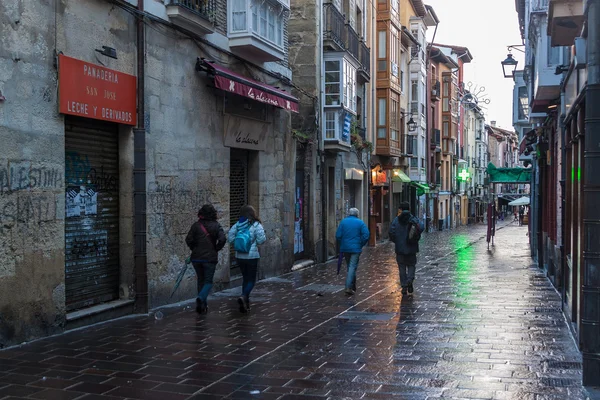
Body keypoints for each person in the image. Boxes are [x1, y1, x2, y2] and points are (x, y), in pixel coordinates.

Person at [185, 204, 227, 314]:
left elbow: (188, 239)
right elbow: (222, 239)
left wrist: (194, 248)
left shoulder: (195, 225)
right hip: (210, 259)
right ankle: (201, 298)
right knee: (208, 282)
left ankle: (202, 305)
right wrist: (216, 248)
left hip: (196, 259)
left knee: (200, 280)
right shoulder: (216, 226)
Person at [228, 205, 266, 313]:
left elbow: (230, 238)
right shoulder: (256, 224)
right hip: (252, 256)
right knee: (251, 280)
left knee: (245, 278)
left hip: (239, 256)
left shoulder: (238, 224)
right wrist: (254, 243)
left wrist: (238, 243)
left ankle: (246, 303)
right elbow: (261, 239)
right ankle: (244, 296)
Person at [389, 202, 424, 296]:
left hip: (400, 248)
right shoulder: (413, 218)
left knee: (402, 267)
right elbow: (421, 227)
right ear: (409, 208)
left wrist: (397, 241)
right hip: (412, 247)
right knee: (412, 265)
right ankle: (409, 280)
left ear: (400, 209)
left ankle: (404, 285)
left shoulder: (396, 220)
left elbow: (391, 232)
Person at [335, 208, 370, 295]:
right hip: (356, 249)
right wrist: (360, 244)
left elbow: (338, 235)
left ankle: (352, 285)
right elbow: (366, 235)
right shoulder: (360, 223)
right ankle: (348, 287)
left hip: (345, 248)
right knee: (352, 267)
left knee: (350, 266)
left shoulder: (343, 222)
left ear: (349, 214)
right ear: (357, 214)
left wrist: (343, 243)